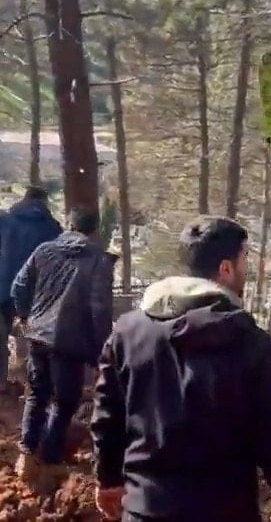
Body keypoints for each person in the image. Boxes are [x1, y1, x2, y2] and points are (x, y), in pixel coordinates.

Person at [90, 217, 271, 522]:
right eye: (245, 257)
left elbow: (108, 415)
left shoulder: (128, 332)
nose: (247, 267)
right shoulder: (248, 340)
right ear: (226, 268)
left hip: (146, 509)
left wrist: (108, 479)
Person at [11, 207, 113, 491]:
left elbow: (19, 286)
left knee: (37, 394)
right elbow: (99, 310)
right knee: (66, 401)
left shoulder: (44, 250)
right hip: (70, 342)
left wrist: (25, 317)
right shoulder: (98, 260)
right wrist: (101, 353)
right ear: (95, 230)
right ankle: (51, 457)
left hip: (38, 336)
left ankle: (27, 454)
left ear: (69, 223)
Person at [0, 185, 61, 393]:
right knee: (37, 340)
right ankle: (34, 386)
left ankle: (1, 384)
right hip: (36, 292)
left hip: (3, 288)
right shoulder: (53, 228)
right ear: (44, 201)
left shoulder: (6, 221)